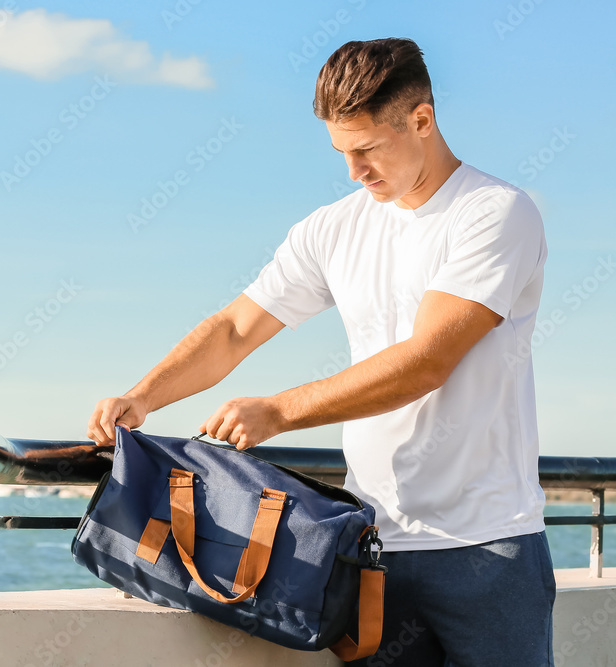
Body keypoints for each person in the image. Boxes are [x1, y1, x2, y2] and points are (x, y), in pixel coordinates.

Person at [86, 38, 555, 666]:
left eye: (366, 150)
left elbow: (428, 359)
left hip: (489, 548)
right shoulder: (333, 228)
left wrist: (278, 411)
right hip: (370, 548)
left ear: (422, 118)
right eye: (342, 152)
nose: (355, 172)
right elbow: (235, 328)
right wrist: (142, 396)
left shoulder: (494, 213)